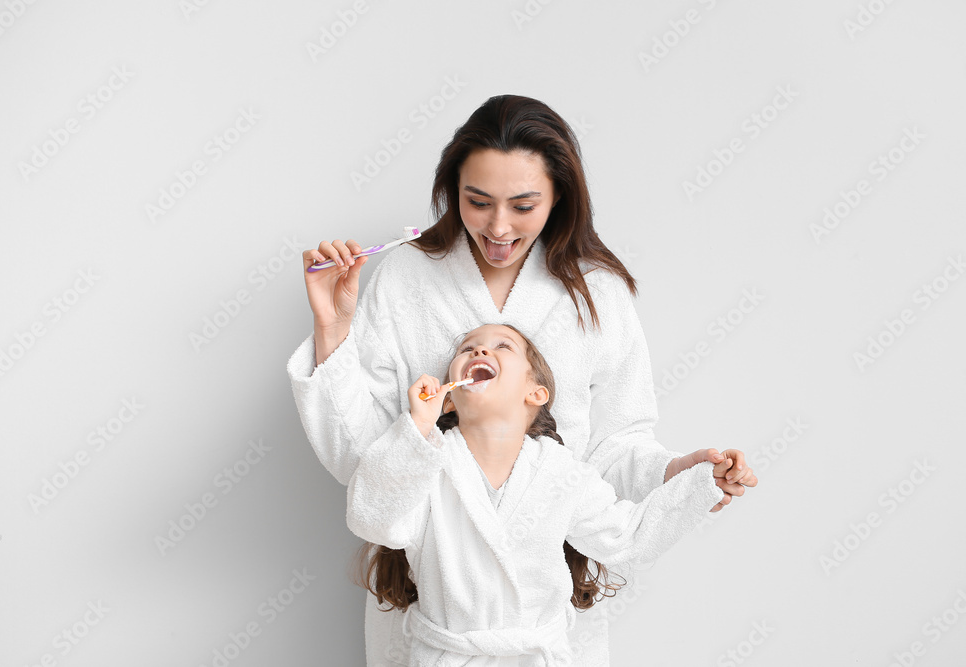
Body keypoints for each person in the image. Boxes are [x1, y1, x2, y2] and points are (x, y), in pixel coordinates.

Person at [288, 94, 758, 666]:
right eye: (477, 201)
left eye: (523, 204)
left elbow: (615, 450)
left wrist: (675, 476)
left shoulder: (597, 293)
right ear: (451, 189)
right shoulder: (407, 276)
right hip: (431, 625)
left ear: (560, 195)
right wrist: (333, 330)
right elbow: (365, 467)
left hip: (547, 628)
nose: (499, 226)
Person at [346, 323, 734, 665]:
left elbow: (626, 537)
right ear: (450, 398)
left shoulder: (560, 472)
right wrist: (416, 428)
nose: (480, 351)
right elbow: (374, 519)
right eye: (468, 348)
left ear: (536, 393)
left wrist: (701, 485)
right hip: (448, 657)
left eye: (502, 347)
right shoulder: (426, 462)